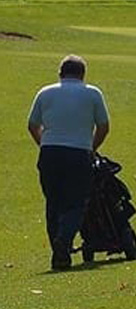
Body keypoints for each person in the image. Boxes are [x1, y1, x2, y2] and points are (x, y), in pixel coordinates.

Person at [27, 55, 111, 270]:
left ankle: (59, 255)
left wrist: (43, 144)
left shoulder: (45, 93)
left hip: (50, 153)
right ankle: (64, 240)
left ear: (60, 73)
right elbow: (103, 126)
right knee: (76, 202)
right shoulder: (92, 93)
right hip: (79, 153)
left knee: (53, 202)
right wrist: (92, 148)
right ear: (82, 74)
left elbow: (32, 124)